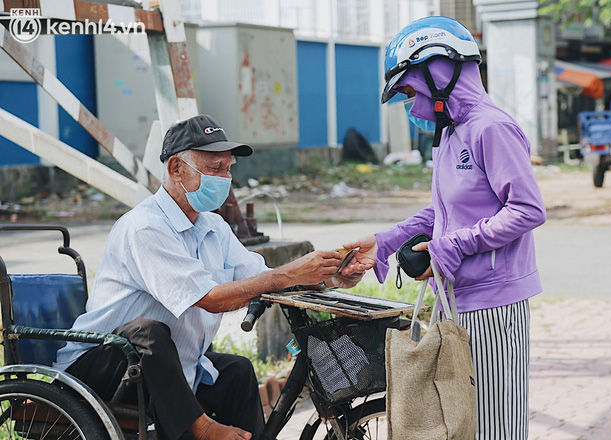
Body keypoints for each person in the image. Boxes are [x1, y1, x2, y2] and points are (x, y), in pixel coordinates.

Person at [54, 114, 363, 440]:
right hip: (99, 367)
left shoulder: (213, 227)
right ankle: (202, 428)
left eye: (228, 169)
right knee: (147, 332)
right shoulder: (144, 227)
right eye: (215, 169)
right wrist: (286, 274)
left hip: (167, 367)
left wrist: (329, 275)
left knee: (238, 371)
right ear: (176, 168)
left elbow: (262, 276)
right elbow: (210, 299)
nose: (225, 178)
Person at [342, 17, 546, 439]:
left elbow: (527, 209)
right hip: (456, 301)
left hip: (493, 304)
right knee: (461, 424)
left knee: (497, 428)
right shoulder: (451, 133)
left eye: (409, 91)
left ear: (439, 73)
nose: (409, 105)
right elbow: (445, 211)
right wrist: (384, 242)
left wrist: (449, 249)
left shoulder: (491, 128)